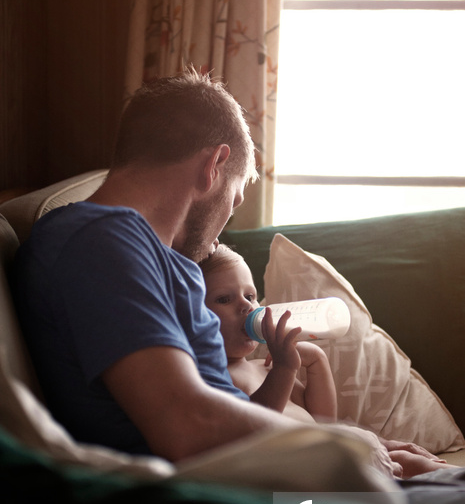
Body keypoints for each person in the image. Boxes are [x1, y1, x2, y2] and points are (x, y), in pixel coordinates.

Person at [12, 67, 446, 479]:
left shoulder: (134, 250)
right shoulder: (102, 242)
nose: (224, 227)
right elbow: (188, 425)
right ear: (214, 165)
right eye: (234, 200)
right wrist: (338, 447)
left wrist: (362, 447)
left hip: (268, 476)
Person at [201, 244, 337, 423]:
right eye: (224, 299)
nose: (247, 306)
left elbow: (325, 423)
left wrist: (316, 360)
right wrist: (284, 369)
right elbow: (250, 426)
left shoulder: (266, 368)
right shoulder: (209, 378)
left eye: (250, 297)